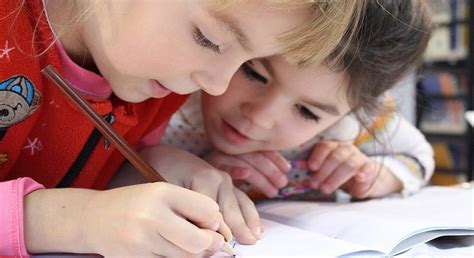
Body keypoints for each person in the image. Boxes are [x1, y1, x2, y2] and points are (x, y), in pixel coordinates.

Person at [0, 0, 363, 256]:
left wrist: (149, 168)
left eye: (248, 61)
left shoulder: (154, 84)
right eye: (210, 40)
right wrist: (77, 221)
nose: (217, 86)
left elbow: (80, 174)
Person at [159, 0, 434, 201]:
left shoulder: (349, 127)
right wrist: (181, 171)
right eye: (253, 73)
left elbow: (419, 157)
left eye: (307, 112)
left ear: (354, 112)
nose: (259, 117)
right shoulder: (167, 93)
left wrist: (375, 176)